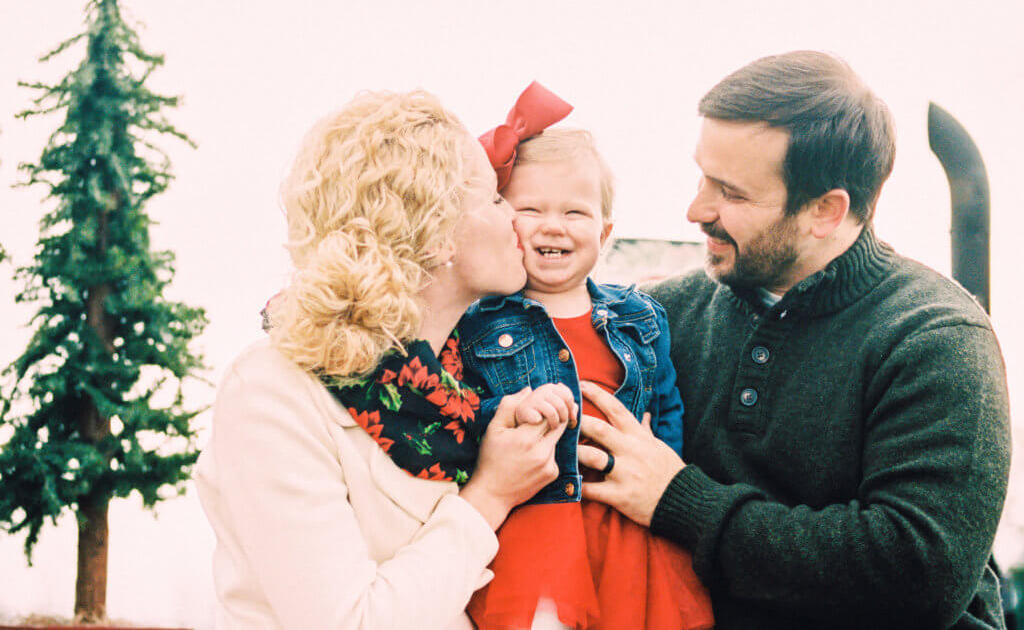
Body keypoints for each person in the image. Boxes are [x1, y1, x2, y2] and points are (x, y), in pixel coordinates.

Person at [576, 51, 1012, 629]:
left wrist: (682, 502)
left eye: (730, 193)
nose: (696, 209)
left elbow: (920, 575)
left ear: (826, 211)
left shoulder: (936, 337)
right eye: (702, 175)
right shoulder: (658, 317)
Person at [195, 90, 578, 629]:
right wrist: (490, 495)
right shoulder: (271, 390)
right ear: (439, 230)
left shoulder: (462, 389)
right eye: (494, 199)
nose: (513, 215)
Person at [458, 83, 713, 630]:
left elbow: (666, 402)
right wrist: (505, 421)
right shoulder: (477, 323)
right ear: (504, 221)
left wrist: (662, 468)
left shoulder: (640, 315)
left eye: (575, 211)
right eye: (532, 209)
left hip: (628, 525)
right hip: (536, 524)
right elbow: (460, 412)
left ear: (606, 231)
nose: (554, 225)